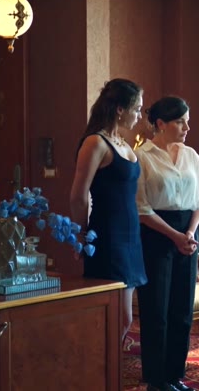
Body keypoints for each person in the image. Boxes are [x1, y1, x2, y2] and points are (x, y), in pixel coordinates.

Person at [135, 96, 199, 391]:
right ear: (161, 124)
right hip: (156, 234)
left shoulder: (192, 157)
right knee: (156, 311)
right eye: (181, 122)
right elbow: (142, 208)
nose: (187, 128)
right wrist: (175, 236)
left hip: (188, 234)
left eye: (187, 121)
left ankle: (175, 377)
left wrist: (189, 233)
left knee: (182, 311)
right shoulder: (143, 157)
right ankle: (157, 381)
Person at [69, 78, 148, 343]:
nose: (139, 116)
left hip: (131, 236)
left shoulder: (123, 143)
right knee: (118, 317)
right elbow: (79, 196)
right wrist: (80, 236)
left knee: (124, 318)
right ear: (120, 110)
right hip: (108, 237)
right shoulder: (95, 142)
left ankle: (109, 365)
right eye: (137, 109)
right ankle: (100, 365)